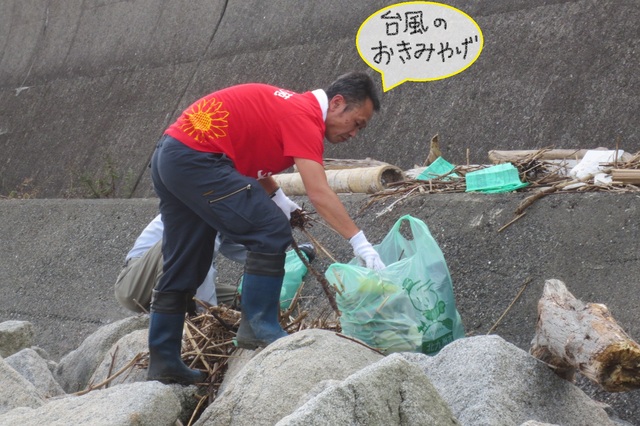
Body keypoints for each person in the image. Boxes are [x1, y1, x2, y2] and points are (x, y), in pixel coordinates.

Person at [149, 71, 385, 384]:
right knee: (271, 231)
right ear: (337, 103)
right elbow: (319, 191)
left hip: (173, 156)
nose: (355, 134)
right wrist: (360, 243)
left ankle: (163, 361)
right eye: (357, 123)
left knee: (187, 261)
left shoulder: (289, 109)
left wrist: (278, 197)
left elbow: (250, 157)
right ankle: (259, 326)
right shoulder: (305, 117)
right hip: (198, 158)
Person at [114, 214, 315, 312]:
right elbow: (203, 264)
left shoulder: (224, 217)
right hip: (136, 286)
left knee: (245, 299)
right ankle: (179, 318)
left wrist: (290, 257)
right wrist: (209, 313)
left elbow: (249, 254)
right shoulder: (204, 210)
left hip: (177, 285)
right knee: (190, 242)